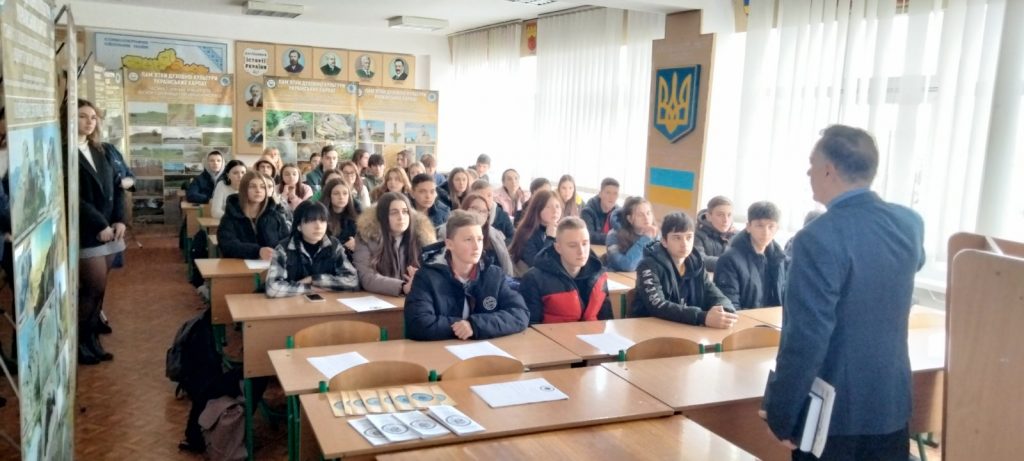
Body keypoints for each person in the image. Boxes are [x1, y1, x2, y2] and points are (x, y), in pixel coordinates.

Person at [762, 126, 925, 460]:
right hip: (891, 404)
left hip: (834, 416)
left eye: (812, 164)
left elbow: (806, 337)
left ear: (829, 170)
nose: (808, 173)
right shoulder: (909, 223)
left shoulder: (816, 238)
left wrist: (782, 414)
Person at [404, 210, 529, 341]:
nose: (476, 246)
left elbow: (520, 313)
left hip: (482, 348)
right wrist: (461, 327)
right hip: (440, 349)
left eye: (479, 239)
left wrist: (475, 326)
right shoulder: (427, 277)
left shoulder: (493, 275)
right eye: (468, 240)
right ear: (449, 244)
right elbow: (418, 323)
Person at [75, 99, 127, 364]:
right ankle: (81, 342)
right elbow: (74, 197)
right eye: (82, 116)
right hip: (87, 230)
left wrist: (120, 220)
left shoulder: (101, 149)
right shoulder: (64, 152)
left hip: (110, 228)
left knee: (101, 289)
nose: (89, 122)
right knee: (92, 288)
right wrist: (100, 224)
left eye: (93, 117)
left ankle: (93, 339)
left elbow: (118, 186)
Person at [632, 212, 737, 327]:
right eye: (677, 238)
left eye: (689, 237)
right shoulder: (648, 265)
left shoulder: (696, 263)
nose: (684, 244)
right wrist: (701, 317)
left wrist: (725, 311)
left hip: (685, 327)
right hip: (651, 328)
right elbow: (657, 305)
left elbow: (712, 292)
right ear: (664, 242)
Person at [521, 217, 612, 324]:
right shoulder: (534, 279)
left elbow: (606, 320)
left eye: (585, 244)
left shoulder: (599, 275)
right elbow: (531, 326)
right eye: (573, 246)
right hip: (553, 334)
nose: (581, 251)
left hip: (593, 333)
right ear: (558, 248)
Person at [265, 201, 358, 298]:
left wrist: (314, 279)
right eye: (311, 221)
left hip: (327, 303)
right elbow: (273, 288)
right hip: (291, 304)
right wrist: (310, 289)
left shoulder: (334, 245)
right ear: (299, 226)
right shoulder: (284, 248)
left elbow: (353, 280)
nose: (318, 226)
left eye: (322, 221)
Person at [353, 192, 436, 296]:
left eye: (405, 212)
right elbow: (367, 277)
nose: (401, 217)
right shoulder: (366, 238)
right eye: (394, 213)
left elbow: (435, 274)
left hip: (416, 299)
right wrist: (403, 287)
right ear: (383, 216)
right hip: (379, 299)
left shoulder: (421, 238)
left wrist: (421, 277)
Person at [714, 201, 787, 309]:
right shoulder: (729, 260)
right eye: (759, 226)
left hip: (773, 318)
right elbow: (729, 307)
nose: (766, 232)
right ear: (748, 227)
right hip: (744, 319)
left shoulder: (779, 258)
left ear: (777, 228)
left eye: (771, 226)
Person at [217, 171, 289, 260]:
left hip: (271, 265)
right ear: (243, 189)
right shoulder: (231, 216)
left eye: (262, 187)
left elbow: (286, 241)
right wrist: (257, 251)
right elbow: (227, 245)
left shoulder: (274, 215)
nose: (258, 190)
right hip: (240, 265)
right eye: (252, 186)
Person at [438, 193, 514, 276]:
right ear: (464, 209)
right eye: (475, 209)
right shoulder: (448, 231)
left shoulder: (495, 234)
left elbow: (506, 264)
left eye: (484, 211)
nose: (479, 213)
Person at [509, 190, 562, 271]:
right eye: (548, 207)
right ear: (538, 209)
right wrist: (550, 239)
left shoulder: (560, 230)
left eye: (557, 206)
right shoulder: (526, 233)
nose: (555, 211)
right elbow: (537, 265)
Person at [606, 197, 658, 272]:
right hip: (617, 277)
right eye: (640, 215)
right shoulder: (614, 236)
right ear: (629, 219)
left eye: (648, 213)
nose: (646, 218)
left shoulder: (656, 235)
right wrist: (645, 239)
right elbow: (627, 265)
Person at [694, 196, 737, 272]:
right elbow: (699, 259)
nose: (726, 220)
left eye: (729, 215)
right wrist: (729, 263)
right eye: (720, 215)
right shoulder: (696, 235)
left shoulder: (738, 235)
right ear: (708, 216)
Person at [320, 178, 359, 258]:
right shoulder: (320, 215)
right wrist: (344, 245)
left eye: (345, 193)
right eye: (336, 193)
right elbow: (321, 244)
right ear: (329, 195)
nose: (341, 197)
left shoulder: (357, 212)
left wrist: (357, 243)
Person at [469, 179, 514, 244]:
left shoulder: (502, 215)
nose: (487, 199)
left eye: (489, 195)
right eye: (481, 196)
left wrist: (500, 243)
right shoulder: (467, 214)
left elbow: (512, 238)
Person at [581, 178, 620, 245]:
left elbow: (624, 234)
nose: (611, 197)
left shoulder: (618, 212)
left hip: (611, 249)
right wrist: (614, 238)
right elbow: (589, 236)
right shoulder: (587, 211)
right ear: (600, 194)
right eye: (608, 193)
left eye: (615, 194)